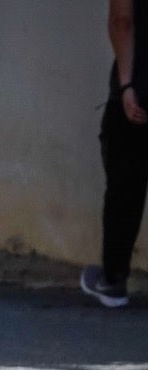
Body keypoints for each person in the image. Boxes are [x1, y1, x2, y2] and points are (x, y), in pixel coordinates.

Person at [81, 0, 148, 308]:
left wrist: (126, 85)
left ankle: (113, 281)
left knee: (125, 186)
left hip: (140, 87)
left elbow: (122, 21)